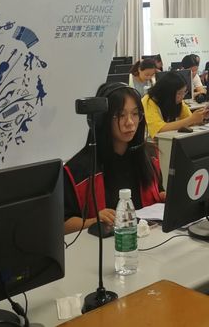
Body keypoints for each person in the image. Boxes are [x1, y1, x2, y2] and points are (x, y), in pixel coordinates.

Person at [63, 83, 165, 234]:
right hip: (104, 244)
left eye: (135, 114)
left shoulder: (150, 156)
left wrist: (167, 196)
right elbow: (62, 225)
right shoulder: (79, 169)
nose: (130, 122)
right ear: (102, 119)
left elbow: (158, 192)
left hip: (149, 238)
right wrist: (93, 221)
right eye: (120, 115)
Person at [142, 71, 209, 139]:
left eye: (184, 92)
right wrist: (191, 119)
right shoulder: (148, 101)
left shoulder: (178, 101)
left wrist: (202, 117)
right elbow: (159, 129)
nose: (182, 96)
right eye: (179, 93)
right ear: (167, 92)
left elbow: (189, 121)